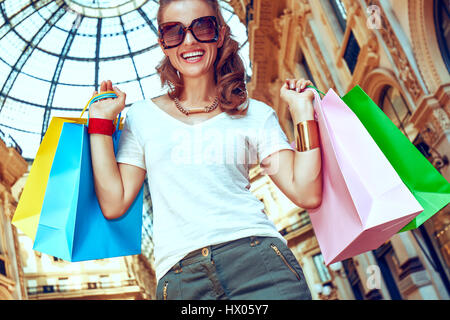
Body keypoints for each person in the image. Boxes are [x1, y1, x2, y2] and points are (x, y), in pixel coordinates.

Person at [88, 0, 322, 300]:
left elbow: (307, 192)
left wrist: (303, 113)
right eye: (174, 32)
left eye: (202, 27)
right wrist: (100, 123)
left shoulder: (254, 113)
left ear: (220, 34)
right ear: (163, 43)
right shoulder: (142, 117)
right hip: (182, 282)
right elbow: (114, 202)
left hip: (259, 266)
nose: (189, 41)